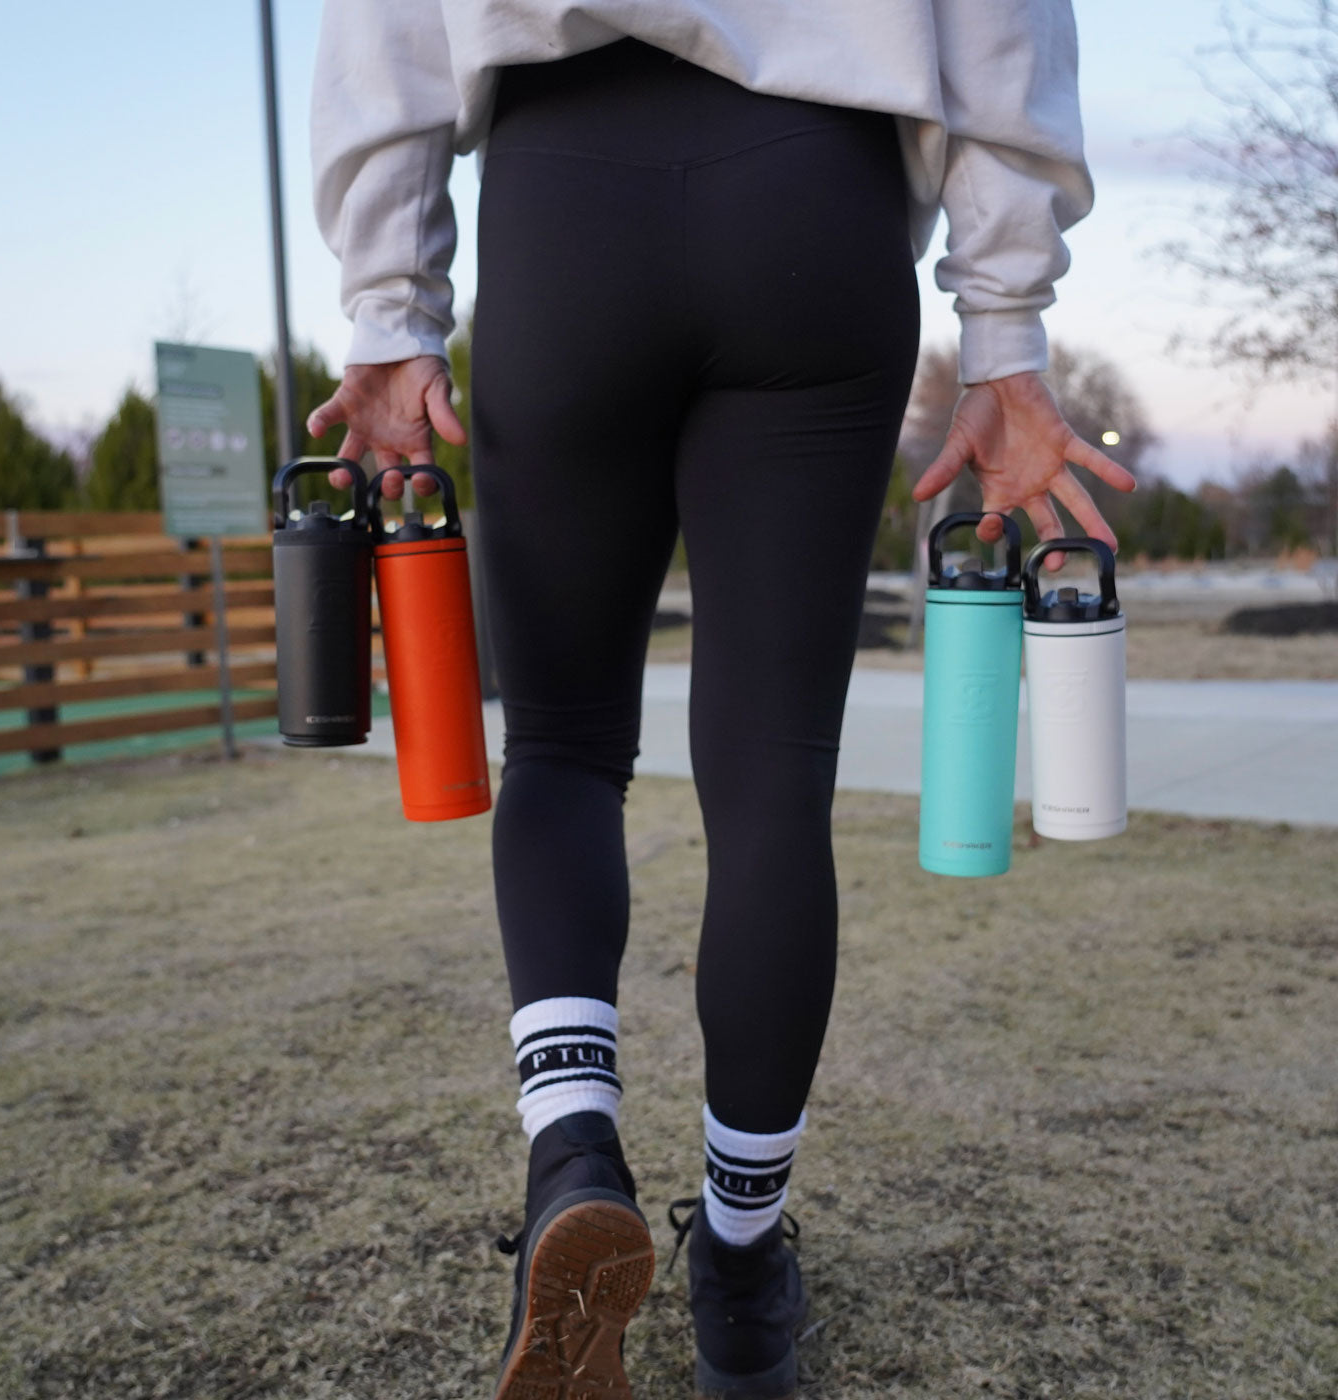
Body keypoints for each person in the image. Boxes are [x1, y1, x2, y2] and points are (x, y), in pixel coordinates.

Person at [306, 4, 1136, 1397]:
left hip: (566, 199)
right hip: (816, 199)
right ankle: (740, 1270)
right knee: (769, 779)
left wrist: (390, 304)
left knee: (564, 748)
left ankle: (574, 1151)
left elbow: (386, 22)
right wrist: (1005, 329)